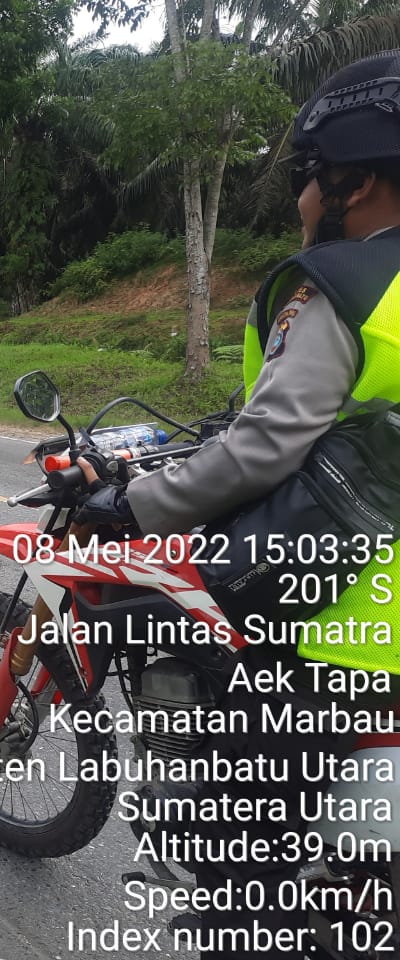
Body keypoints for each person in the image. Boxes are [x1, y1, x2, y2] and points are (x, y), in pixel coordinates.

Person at [76, 52, 400, 959]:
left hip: (330, 629)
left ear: (357, 180)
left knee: (235, 858)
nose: (298, 200)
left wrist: (136, 503)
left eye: (304, 178)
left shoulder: (341, 283)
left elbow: (264, 447)